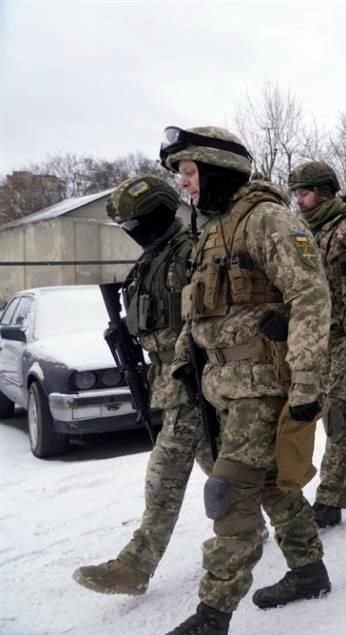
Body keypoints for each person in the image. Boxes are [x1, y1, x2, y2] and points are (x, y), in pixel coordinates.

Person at [153, 126, 331, 635]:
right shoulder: (212, 230)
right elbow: (197, 315)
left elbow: (311, 298)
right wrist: (184, 367)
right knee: (274, 484)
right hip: (221, 386)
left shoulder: (268, 219)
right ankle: (309, 570)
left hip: (262, 385)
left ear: (213, 169)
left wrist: (305, 385)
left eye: (188, 172)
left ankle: (212, 617)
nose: (185, 184)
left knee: (229, 494)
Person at [73, 175, 217, 596]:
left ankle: (135, 566)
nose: (131, 233)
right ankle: (284, 524)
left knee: (164, 473)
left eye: (134, 224)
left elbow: (205, 319)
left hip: (191, 378)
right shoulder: (153, 258)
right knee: (224, 463)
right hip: (166, 377)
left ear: (153, 217)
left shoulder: (190, 253)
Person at [287, 161, 346, 529]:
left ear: (325, 191)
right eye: (296, 193)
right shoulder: (304, 232)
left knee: (338, 411)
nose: (300, 200)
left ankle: (330, 497)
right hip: (322, 336)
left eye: (305, 192)